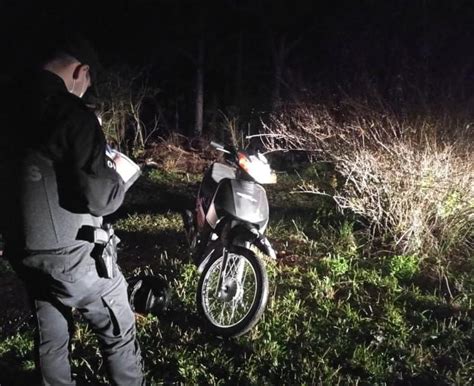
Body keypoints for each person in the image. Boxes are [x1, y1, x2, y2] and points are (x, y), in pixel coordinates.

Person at [0, 34, 144, 385]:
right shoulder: (71, 113)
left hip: (26, 256)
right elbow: (101, 199)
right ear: (81, 72)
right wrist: (119, 179)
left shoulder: (9, 108)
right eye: (87, 83)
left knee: (51, 341)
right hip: (76, 261)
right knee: (118, 329)